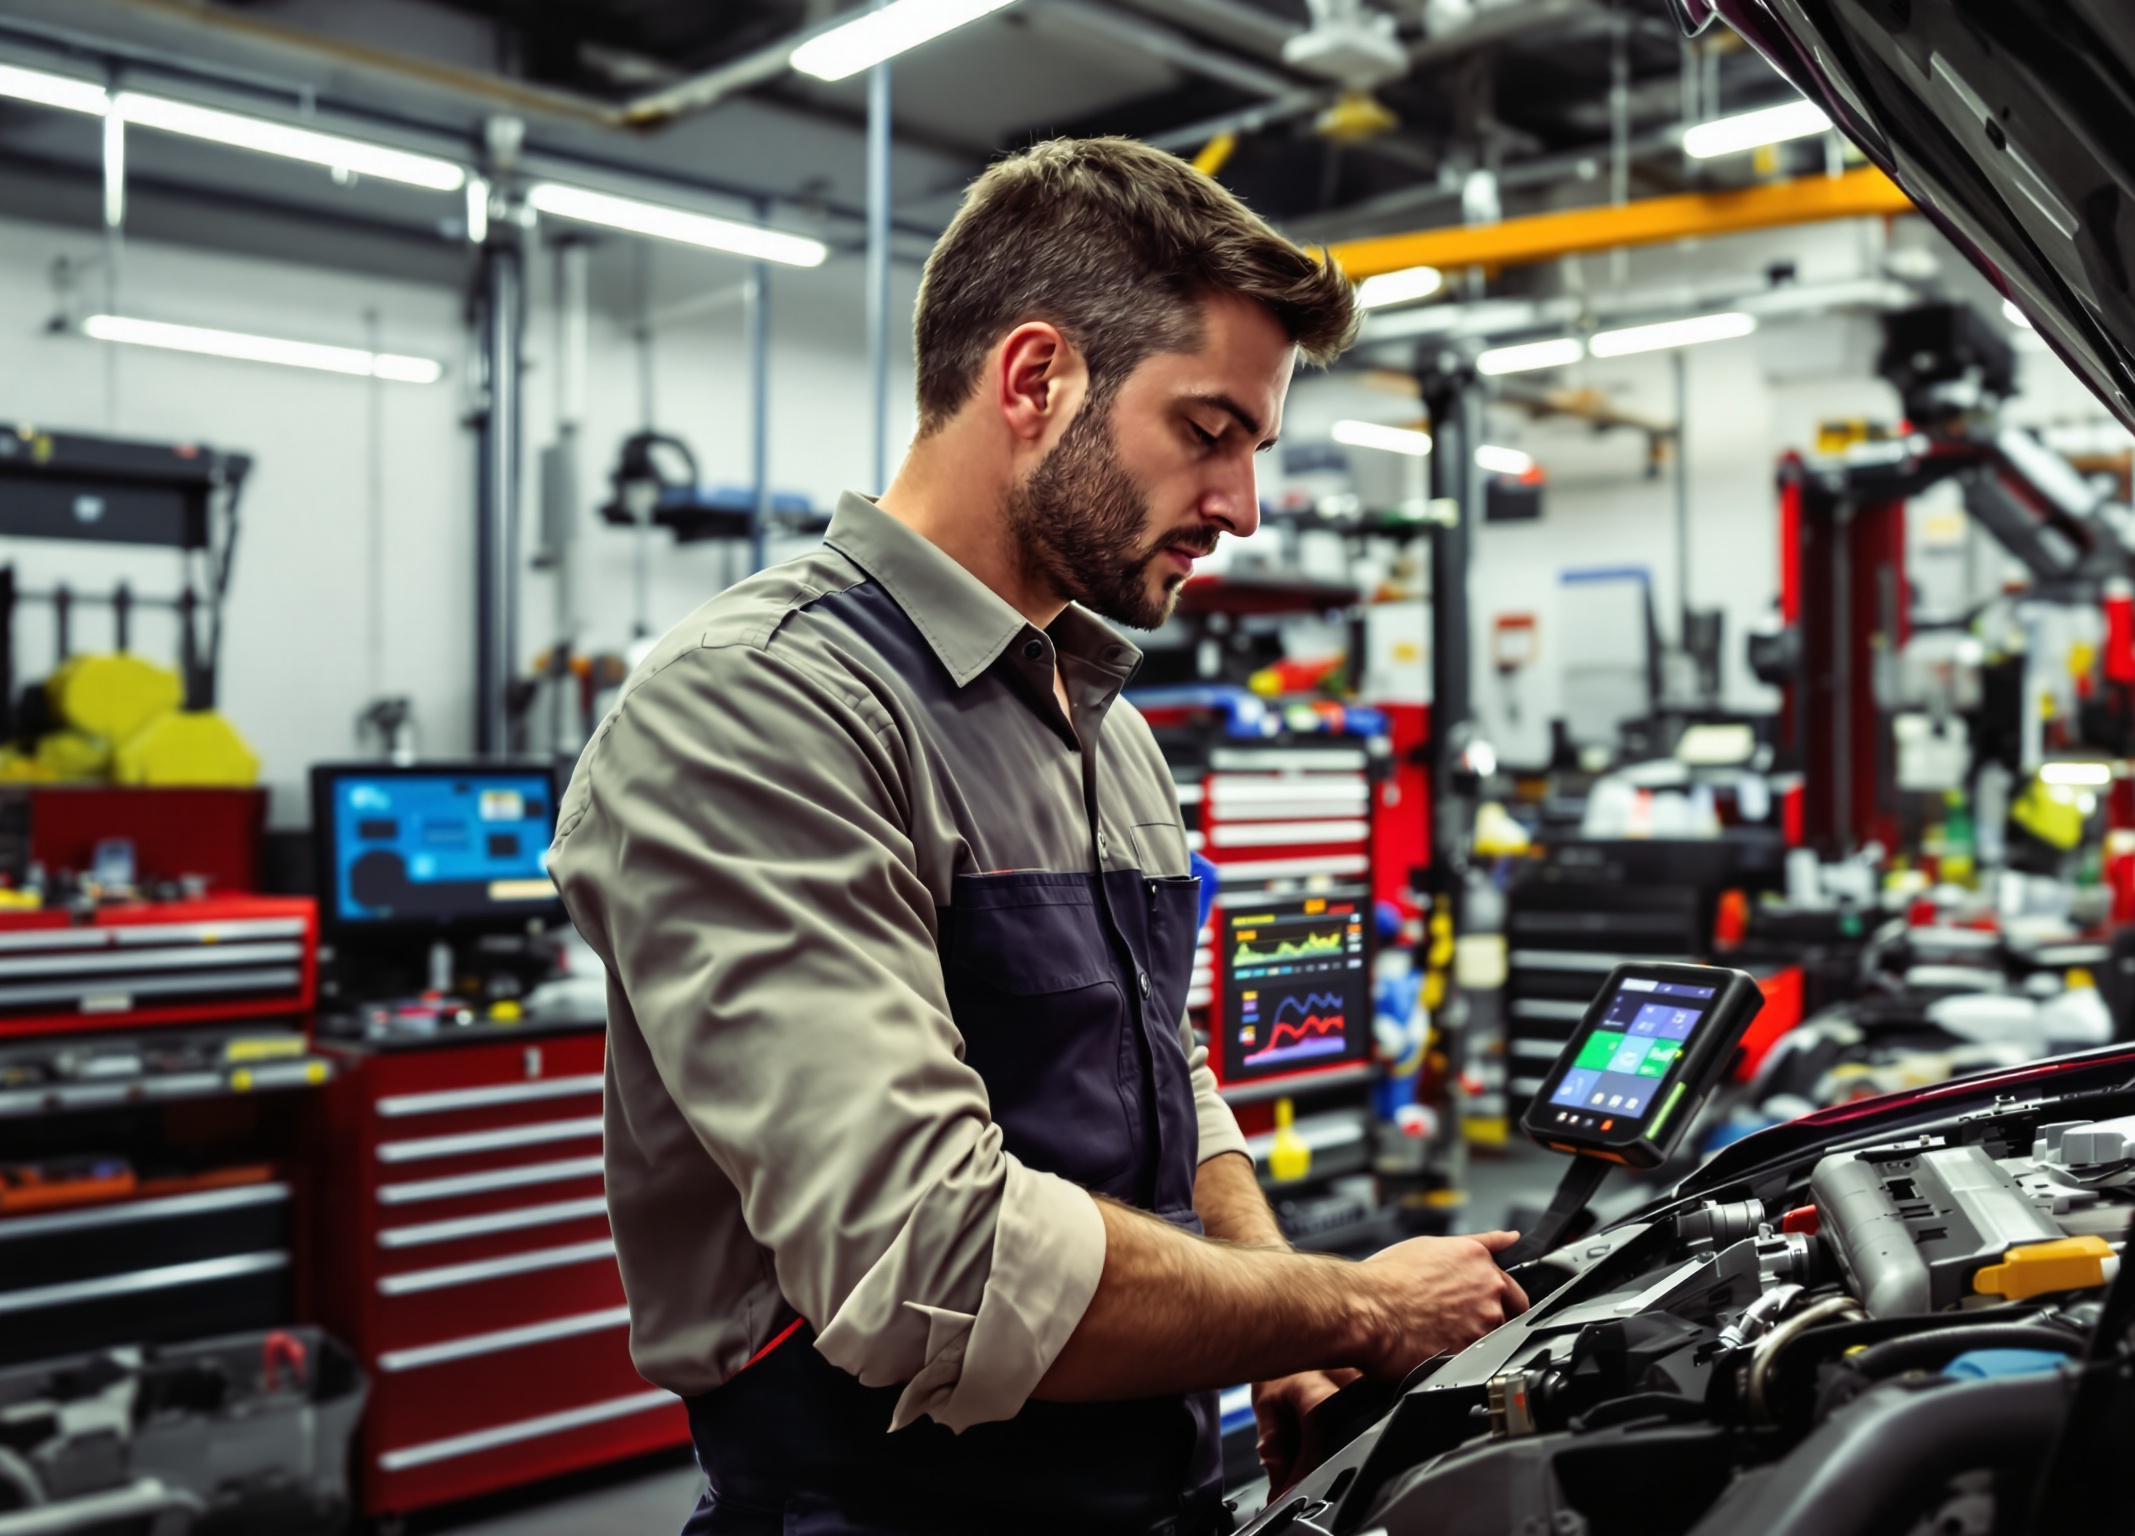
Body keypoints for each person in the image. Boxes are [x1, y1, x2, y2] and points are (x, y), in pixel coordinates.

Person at [547, 137, 1525, 1536]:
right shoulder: (760, 709)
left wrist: (1289, 1343)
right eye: (1209, 431)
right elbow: (933, 1256)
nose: (1242, 508)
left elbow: (1163, 1072)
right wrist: (1360, 1306)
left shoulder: (1100, 725)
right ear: (1035, 380)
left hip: (1156, 1491)